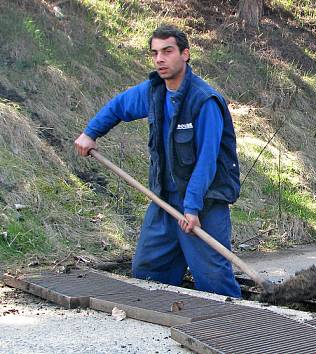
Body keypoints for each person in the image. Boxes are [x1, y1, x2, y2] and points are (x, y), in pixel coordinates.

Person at [74, 25, 241, 297]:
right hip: (165, 201)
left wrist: (192, 207)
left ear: (185, 54)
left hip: (204, 204)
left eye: (167, 51)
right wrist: (91, 133)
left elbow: (207, 161)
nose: (160, 59)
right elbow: (119, 106)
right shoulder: (154, 92)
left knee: (214, 284)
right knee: (148, 273)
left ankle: (238, 327)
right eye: (155, 53)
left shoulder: (204, 101)